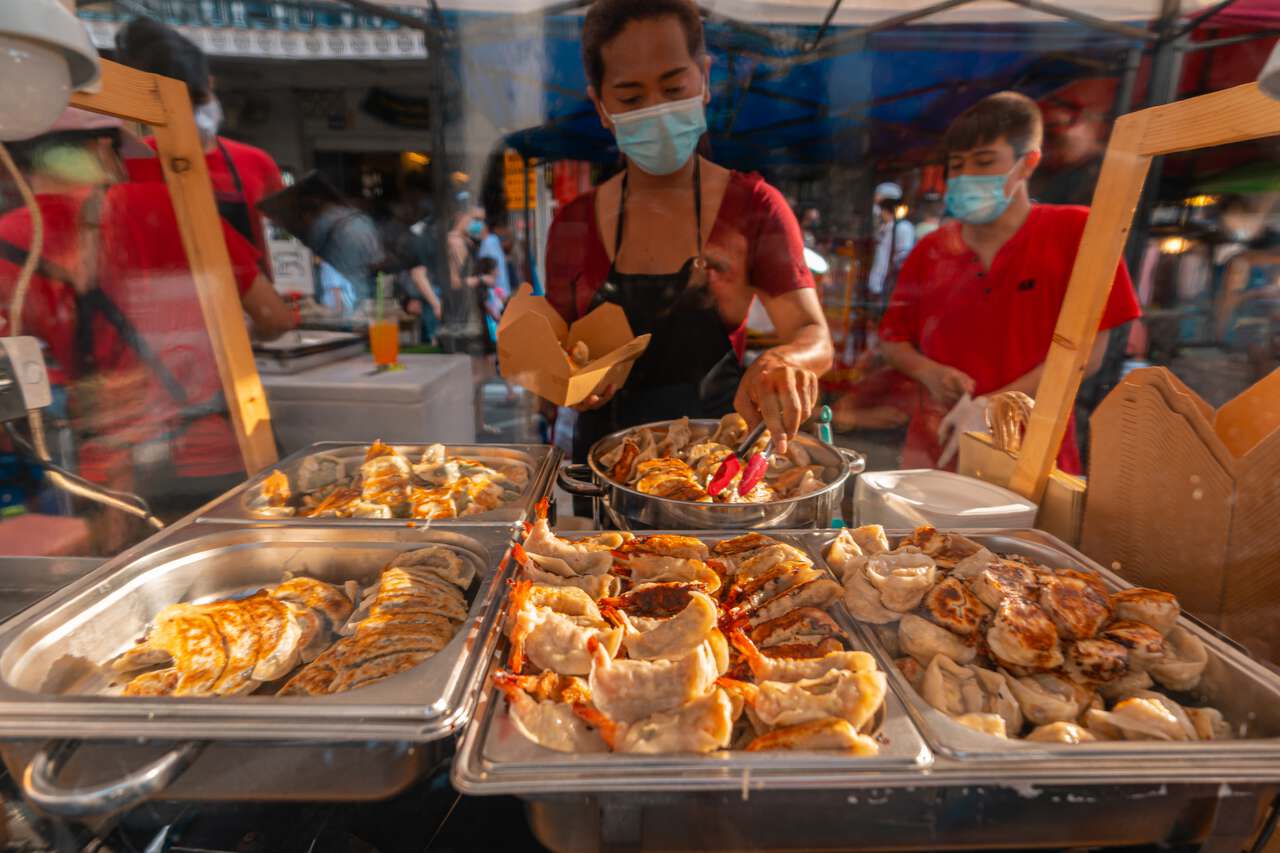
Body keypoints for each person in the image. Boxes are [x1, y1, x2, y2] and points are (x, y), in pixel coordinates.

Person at [545, 0, 832, 467]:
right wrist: (563, 378)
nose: (657, 109)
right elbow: (554, 345)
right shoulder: (573, 223)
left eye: (674, 85)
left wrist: (787, 361)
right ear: (600, 105)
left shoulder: (753, 206)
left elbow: (811, 331)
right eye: (631, 98)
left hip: (715, 467)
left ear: (704, 79)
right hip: (604, 471)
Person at [0, 110, 293, 548]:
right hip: (212, 454)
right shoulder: (171, 206)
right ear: (103, 148)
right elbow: (274, 319)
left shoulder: (8, 238)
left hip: (101, 475)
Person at [879, 91, 1141, 473]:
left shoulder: (1079, 232)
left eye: (984, 162)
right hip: (936, 449)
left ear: (1027, 164)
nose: (967, 176)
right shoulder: (931, 249)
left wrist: (993, 406)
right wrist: (927, 372)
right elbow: (892, 340)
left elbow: (1088, 354)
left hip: (1033, 452)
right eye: (958, 165)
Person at [114, 17, 284, 265]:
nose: (190, 112)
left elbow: (287, 234)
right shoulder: (131, 161)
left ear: (211, 84)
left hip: (250, 300)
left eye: (197, 100)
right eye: (178, 104)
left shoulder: (257, 163)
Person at [868, 182, 914, 302]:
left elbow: (901, 260)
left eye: (880, 203)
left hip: (888, 291)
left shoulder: (902, 228)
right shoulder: (883, 228)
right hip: (876, 288)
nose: (877, 208)